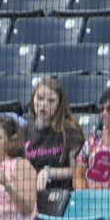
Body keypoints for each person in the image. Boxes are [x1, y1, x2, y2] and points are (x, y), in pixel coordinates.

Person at [22, 76, 82, 208]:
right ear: (33, 99)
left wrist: (49, 172)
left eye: (51, 100)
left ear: (59, 104)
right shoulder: (23, 132)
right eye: (40, 98)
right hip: (30, 195)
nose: (44, 104)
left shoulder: (70, 131)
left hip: (62, 196)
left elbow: (75, 170)